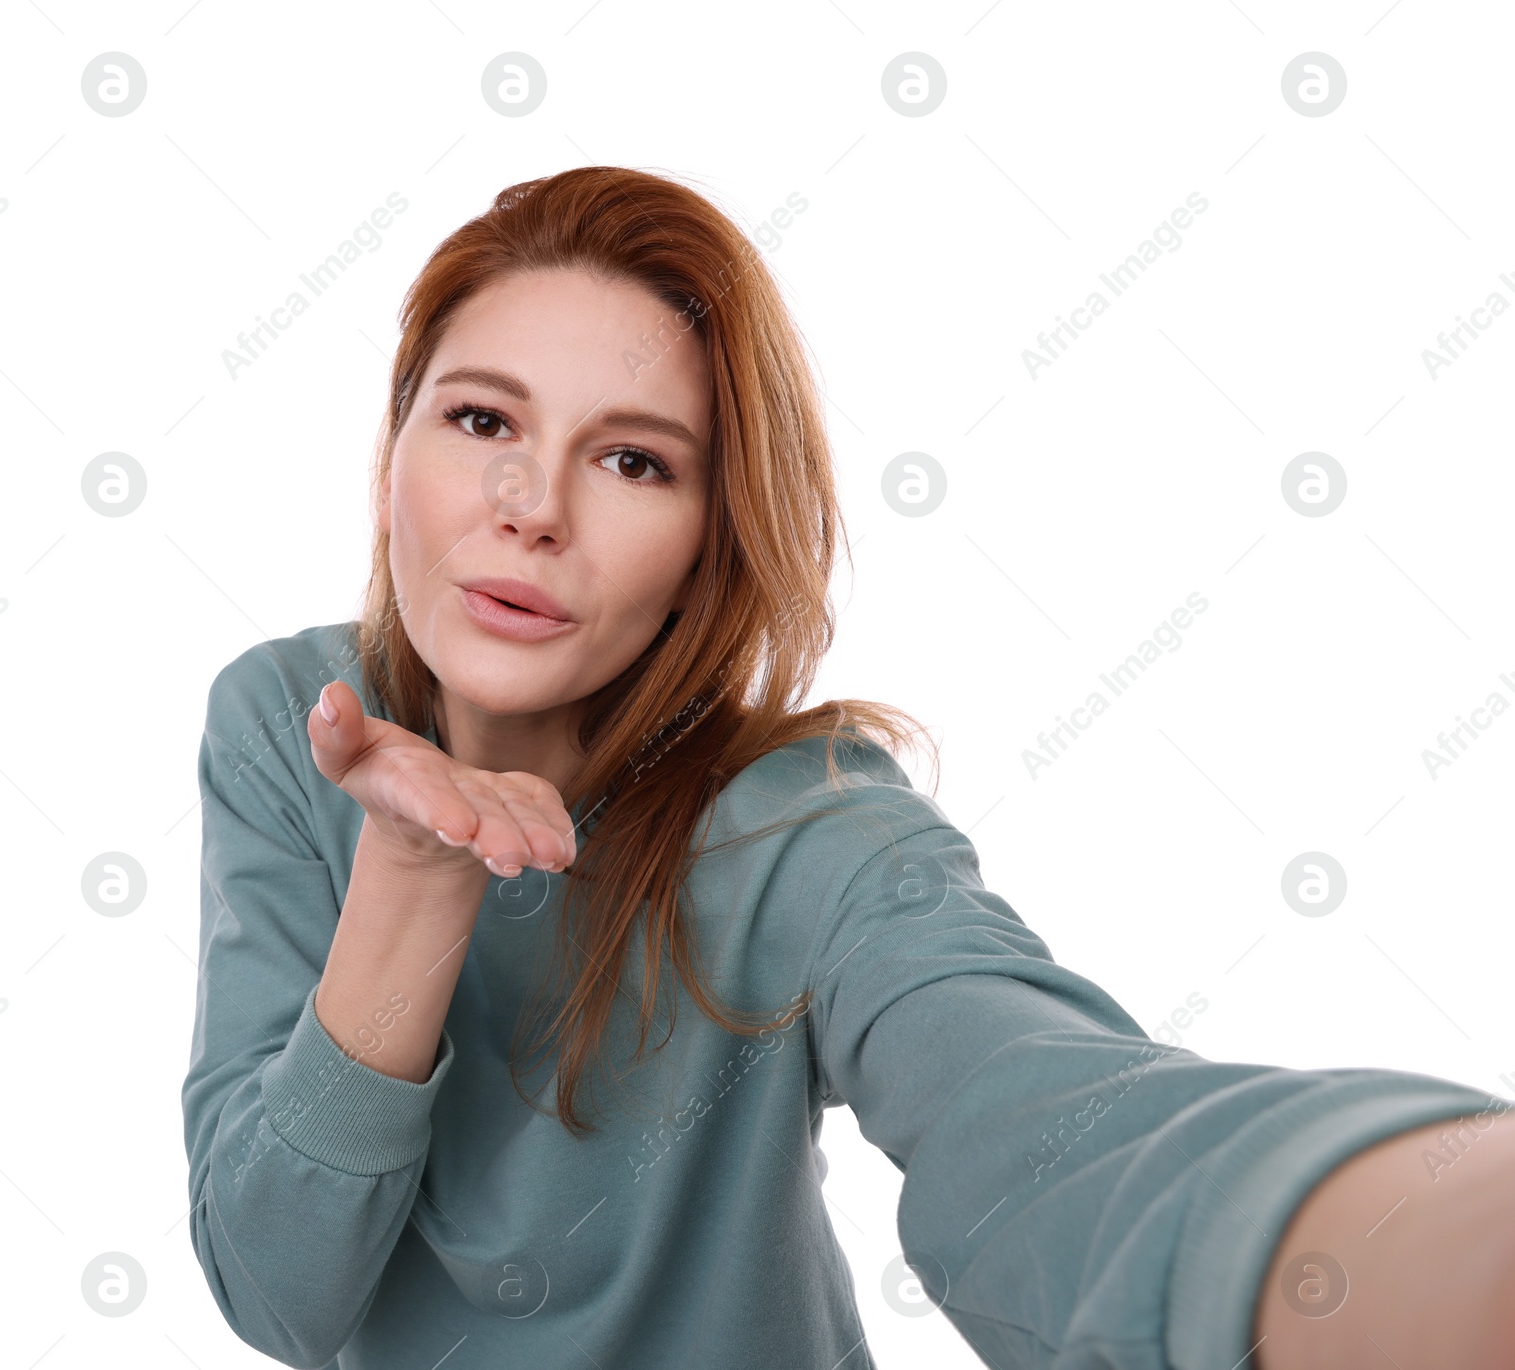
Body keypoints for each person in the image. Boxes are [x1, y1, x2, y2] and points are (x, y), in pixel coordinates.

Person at [180, 165, 1515, 1370]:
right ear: (396, 441)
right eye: (481, 422)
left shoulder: (806, 826)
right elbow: (281, 1290)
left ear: (713, 535)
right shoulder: (296, 722)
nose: (532, 505)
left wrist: (1430, 1224)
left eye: (634, 459)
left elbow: (1041, 1123)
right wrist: (412, 874)